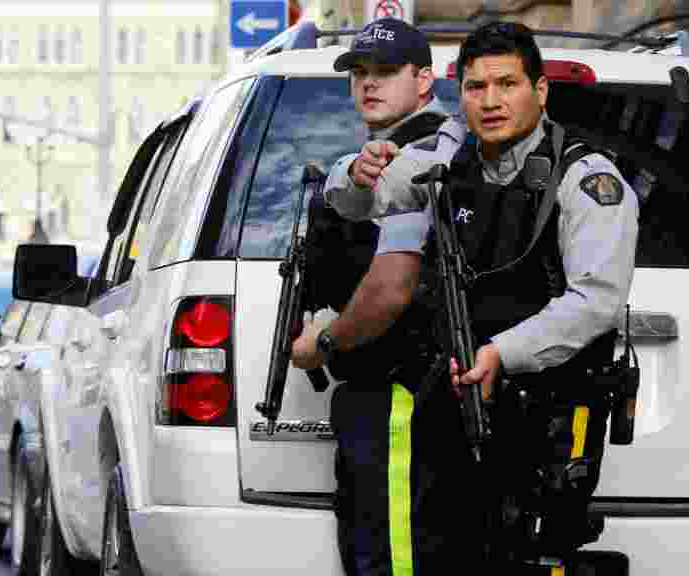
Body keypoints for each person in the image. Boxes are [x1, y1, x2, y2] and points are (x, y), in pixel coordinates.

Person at [323, 21, 640, 572]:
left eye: (507, 84)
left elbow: (595, 301)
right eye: (475, 87)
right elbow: (358, 199)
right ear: (460, 93)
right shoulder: (449, 166)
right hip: (455, 405)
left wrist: (501, 354)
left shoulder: (585, 180)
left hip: (544, 417)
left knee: (518, 554)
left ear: (539, 91)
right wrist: (353, 170)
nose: (490, 101)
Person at [288, 17, 465, 576]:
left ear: (424, 81)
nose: (369, 83)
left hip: (405, 390)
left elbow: (393, 287)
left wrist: (324, 343)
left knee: (392, 560)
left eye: (386, 72)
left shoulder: (430, 155)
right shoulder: (369, 160)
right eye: (359, 73)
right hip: (384, 392)